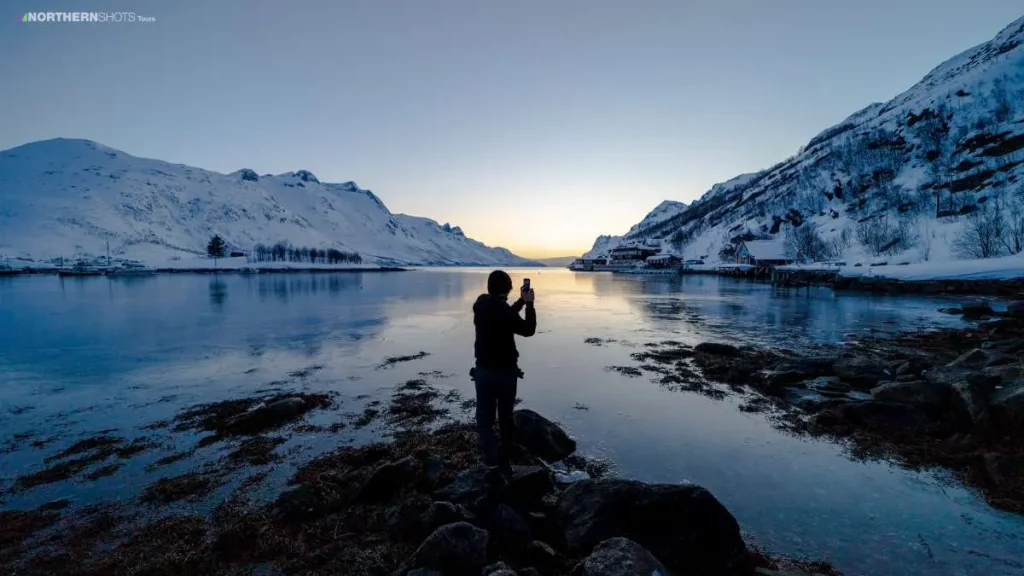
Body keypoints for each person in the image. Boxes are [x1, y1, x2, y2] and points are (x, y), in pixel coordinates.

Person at [472, 269, 536, 476]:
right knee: (506, 419)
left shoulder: (480, 306)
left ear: (489, 287)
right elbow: (528, 329)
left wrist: (519, 301)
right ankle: (506, 464)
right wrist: (529, 304)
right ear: (508, 288)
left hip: (483, 372)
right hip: (506, 374)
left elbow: (504, 314)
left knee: (484, 421)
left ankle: (491, 464)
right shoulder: (504, 312)